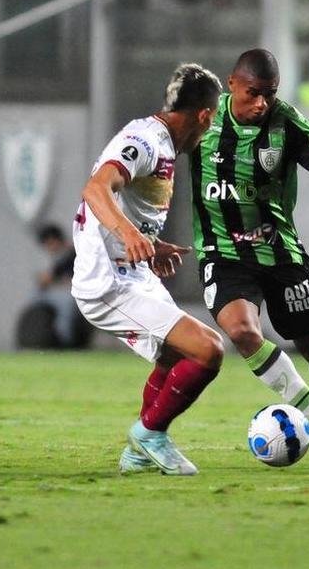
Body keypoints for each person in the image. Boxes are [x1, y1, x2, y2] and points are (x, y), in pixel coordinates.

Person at [191, 48, 309, 466]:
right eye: (253, 93)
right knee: (243, 332)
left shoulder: (286, 122)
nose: (261, 103)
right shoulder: (203, 119)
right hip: (222, 251)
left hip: (279, 250)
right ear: (231, 84)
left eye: (269, 94)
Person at [71, 63, 225, 476]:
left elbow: (124, 207)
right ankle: (149, 433)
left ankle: (139, 454)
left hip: (133, 273)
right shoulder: (144, 141)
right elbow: (96, 188)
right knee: (209, 350)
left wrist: (149, 246)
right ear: (205, 116)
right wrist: (129, 235)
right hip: (108, 284)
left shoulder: (162, 143)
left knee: (175, 357)